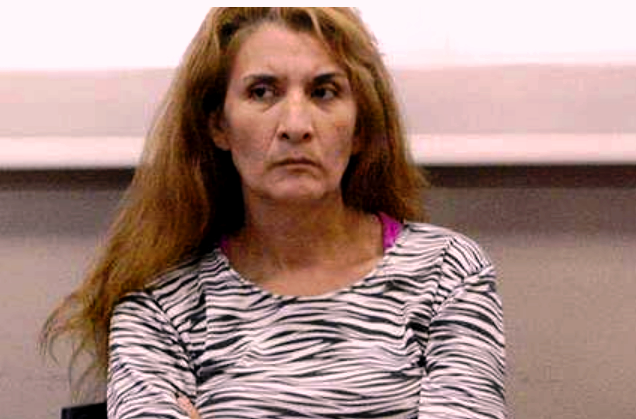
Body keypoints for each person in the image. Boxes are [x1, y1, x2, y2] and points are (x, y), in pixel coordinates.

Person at [42, 7, 505, 419]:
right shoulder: (161, 304)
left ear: (360, 129)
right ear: (219, 125)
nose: (296, 126)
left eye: (324, 92)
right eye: (263, 92)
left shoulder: (446, 273)